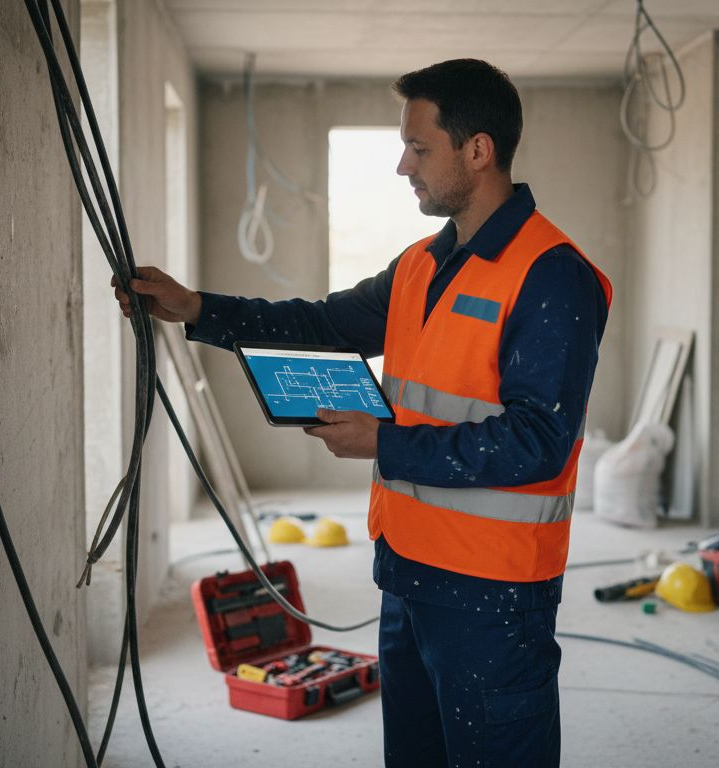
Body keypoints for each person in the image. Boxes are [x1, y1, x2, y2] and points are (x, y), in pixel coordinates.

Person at [115, 58, 611, 768]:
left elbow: (539, 442)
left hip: (492, 599)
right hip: (407, 572)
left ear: (478, 150)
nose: (401, 165)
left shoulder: (552, 274)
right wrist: (197, 308)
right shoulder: (421, 265)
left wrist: (387, 441)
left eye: (418, 147)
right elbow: (323, 324)